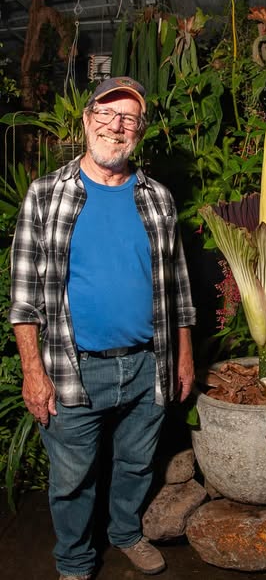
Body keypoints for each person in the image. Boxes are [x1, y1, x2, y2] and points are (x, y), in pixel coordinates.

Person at [9, 76, 196, 580]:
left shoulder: (158, 198)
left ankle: (125, 532)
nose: (116, 125)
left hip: (146, 364)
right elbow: (24, 299)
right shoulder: (47, 195)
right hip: (74, 369)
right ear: (88, 120)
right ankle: (73, 559)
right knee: (72, 480)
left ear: (140, 131)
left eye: (129, 117)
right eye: (107, 114)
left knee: (137, 463)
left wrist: (183, 355)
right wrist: (33, 371)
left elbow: (177, 288)